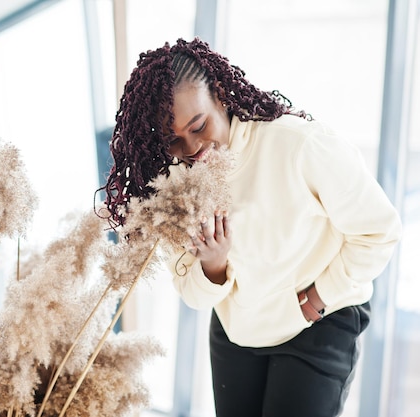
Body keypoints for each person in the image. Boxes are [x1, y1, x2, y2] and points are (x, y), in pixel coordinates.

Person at [97, 38, 402, 417]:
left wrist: (319, 299)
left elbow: (379, 231)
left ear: (221, 96)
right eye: (173, 140)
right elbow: (193, 295)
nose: (191, 148)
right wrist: (214, 265)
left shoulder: (297, 144)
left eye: (198, 125)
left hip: (317, 323)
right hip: (236, 333)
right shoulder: (174, 185)